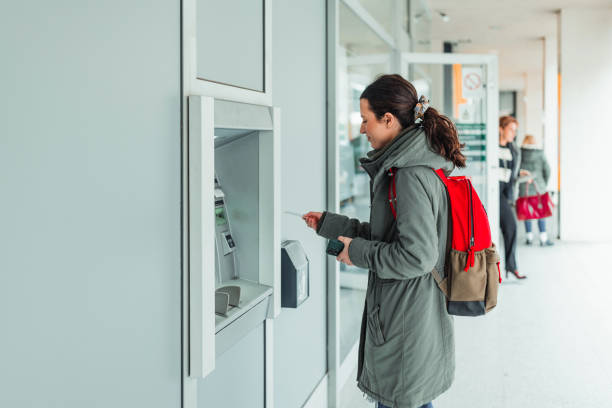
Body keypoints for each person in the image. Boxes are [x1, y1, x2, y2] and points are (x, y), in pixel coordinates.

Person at [304, 74, 461, 408]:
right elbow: (388, 235)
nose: (362, 129)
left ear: (388, 120)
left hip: (405, 317)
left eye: (365, 119)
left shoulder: (408, 175)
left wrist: (355, 252)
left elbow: (416, 256)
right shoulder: (411, 167)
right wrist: (331, 225)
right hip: (410, 311)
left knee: (402, 399)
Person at [498, 116, 529, 279]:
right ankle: (495, 270)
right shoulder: (491, 147)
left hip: (504, 194)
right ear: (500, 129)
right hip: (491, 192)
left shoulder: (513, 149)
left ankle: (510, 266)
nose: (513, 134)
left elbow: (511, 170)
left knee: (511, 227)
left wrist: (520, 173)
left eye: (515, 130)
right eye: (511, 129)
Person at [519, 135, 554, 246]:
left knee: (527, 212)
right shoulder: (540, 153)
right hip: (539, 188)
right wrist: (543, 182)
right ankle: (543, 239)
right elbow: (547, 170)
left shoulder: (520, 153)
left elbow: (516, 169)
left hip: (524, 187)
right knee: (541, 213)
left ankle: (529, 238)